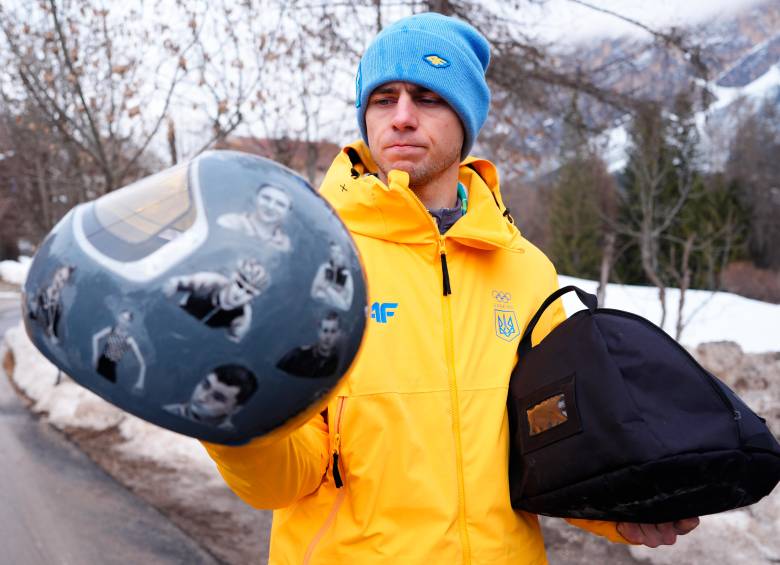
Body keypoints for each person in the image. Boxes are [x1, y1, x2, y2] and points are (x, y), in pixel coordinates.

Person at [202, 13, 699, 563]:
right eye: (384, 99)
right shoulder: (309, 258)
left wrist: (620, 511)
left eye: (428, 97)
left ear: (466, 118)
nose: (403, 117)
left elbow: (549, 446)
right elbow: (281, 482)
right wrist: (231, 421)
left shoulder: (524, 269)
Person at [163, 258, 269, 342]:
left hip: (195, 345)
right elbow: (174, 283)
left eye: (248, 292)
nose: (240, 294)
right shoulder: (211, 282)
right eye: (239, 285)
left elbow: (232, 342)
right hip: (168, 325)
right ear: (233, 277)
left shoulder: (243, 316)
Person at [165, 364, 257, 430]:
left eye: (217, 397)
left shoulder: (230, 438)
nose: (201, 397)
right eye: (205, 385)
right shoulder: (166, 413)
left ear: (235, 409)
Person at [217, 183, 292, 252]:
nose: (270, 207)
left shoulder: (284, 243)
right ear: (255, 198)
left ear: (287, 212)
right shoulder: (230, 222)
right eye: (266, 198)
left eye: (280, 204)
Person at [91, 310, 146, 392]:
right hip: (101, 363)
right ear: (118, 317)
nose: (123, 321)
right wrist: (95, 355)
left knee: (105, 391)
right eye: (122, 318)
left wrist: (140, 382)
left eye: (126, 320)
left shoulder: (129, 340)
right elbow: (95, 338)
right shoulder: (111, 329)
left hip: (115, 369)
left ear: (129, 324)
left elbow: (142, 364)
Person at [276, 311, 342, 378]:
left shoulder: (340, 365)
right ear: (319, 332)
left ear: (338, 334)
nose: (328, 337)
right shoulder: (297, 355)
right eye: (325, 330)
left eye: (333, 331)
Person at [309, 241, 354, 311]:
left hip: (337, 314)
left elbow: (346, 306)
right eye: (333, 252)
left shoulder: (346, 275)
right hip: (321, 310)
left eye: (339, 252)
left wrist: (327, 289)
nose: (336, 256)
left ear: (343, 255)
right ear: (329, 254)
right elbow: (314, 294)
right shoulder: (324, 268)